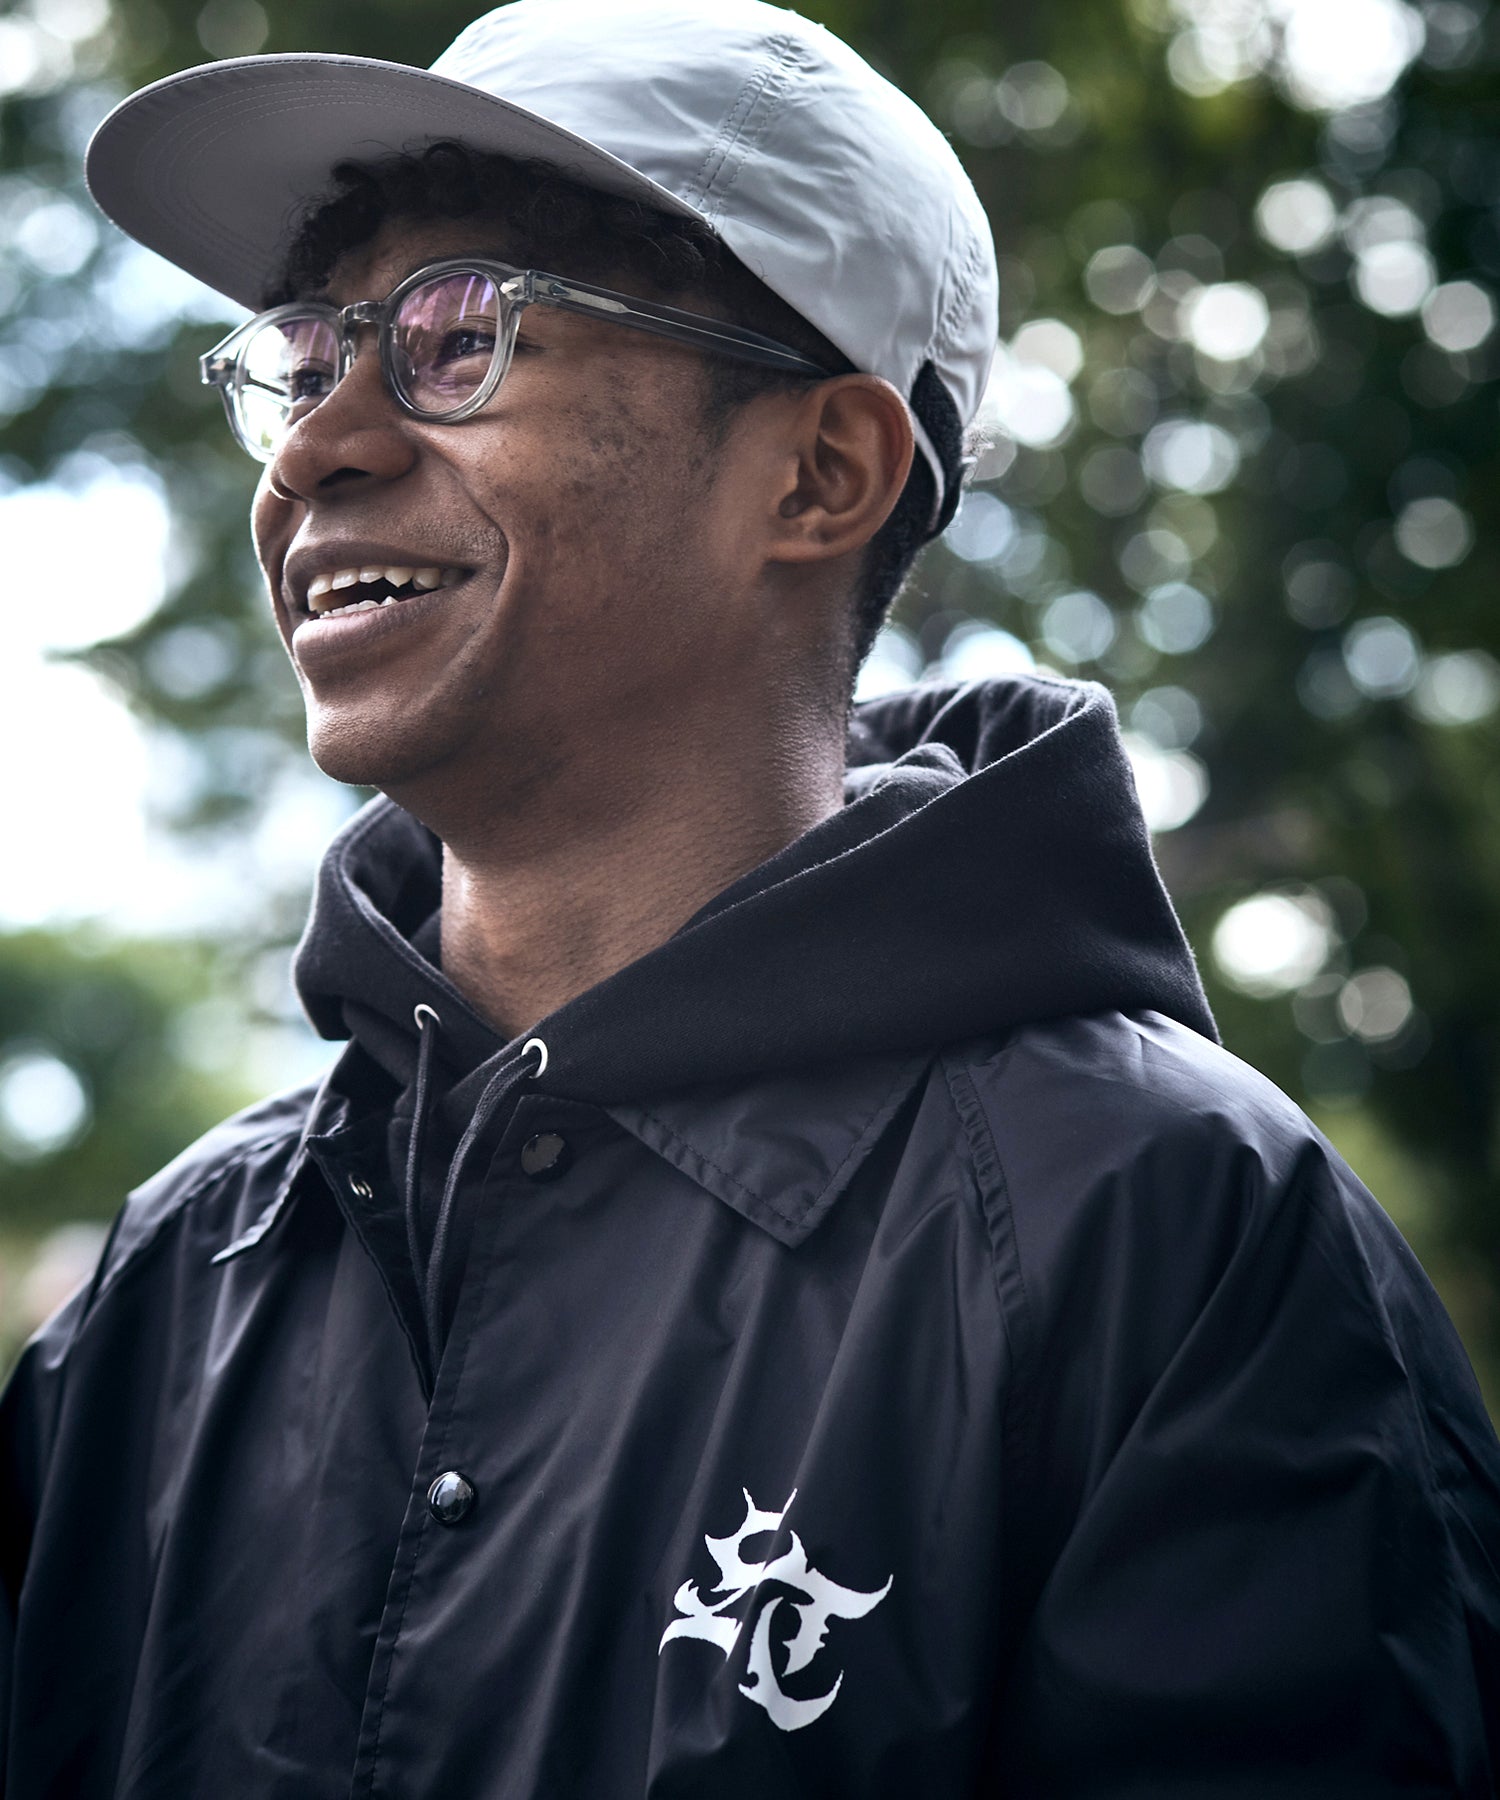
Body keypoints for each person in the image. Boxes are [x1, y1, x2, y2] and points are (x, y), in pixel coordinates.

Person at [3, 0, 1498, 1793]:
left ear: (819, 472)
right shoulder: (175, 1280)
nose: (314, 445)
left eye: (459, 337)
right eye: (309, 352)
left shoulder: (1170, 1240)